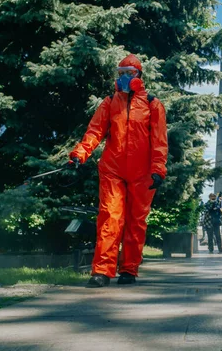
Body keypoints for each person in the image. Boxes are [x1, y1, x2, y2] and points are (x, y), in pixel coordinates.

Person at [69, 54, 168, 287]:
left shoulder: (153, 104)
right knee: (109, 218)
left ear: (138, 76)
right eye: (121, 73)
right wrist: (79, 154)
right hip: (112, 170)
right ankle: (102, 271)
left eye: (129, 73)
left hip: (143, 173)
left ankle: (129, 270)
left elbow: (160, 141)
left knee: (136, 222)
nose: (124, 77)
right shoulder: (109, 102)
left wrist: (158, 169)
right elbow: (94, 131)